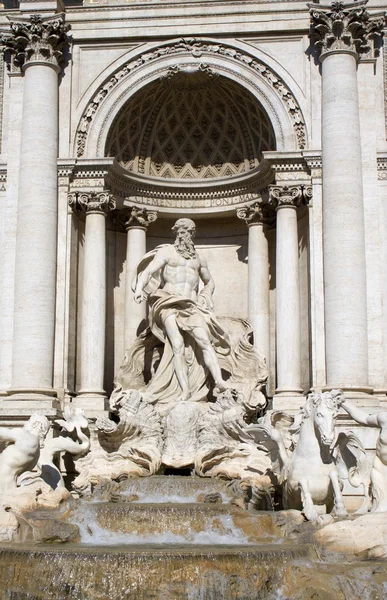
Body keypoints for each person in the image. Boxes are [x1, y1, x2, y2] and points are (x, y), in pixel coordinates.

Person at [133, 218, 230, 402]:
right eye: (179, 231)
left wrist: (205, 295)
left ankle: (219, 381)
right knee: (177, 345)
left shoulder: (199, 258)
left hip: (191, 305)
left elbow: (209, 281)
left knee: (205, 341)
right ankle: (184, 391)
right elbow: (147, 271)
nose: (182, 235)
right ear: (175, 233)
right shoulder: (166, 252)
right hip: (168, 302)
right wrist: (139, 289)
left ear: (192, 234)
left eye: (186, 232)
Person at [340, 393, 387, 512]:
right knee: (380, 507)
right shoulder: (384, 418)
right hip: (380, 466)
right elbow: (364, 418)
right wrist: (344, 403)